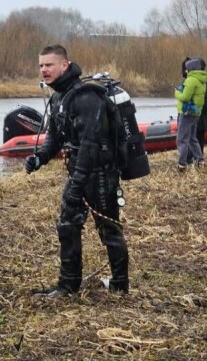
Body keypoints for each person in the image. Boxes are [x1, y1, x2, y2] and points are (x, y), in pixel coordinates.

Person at [24, 44, 129, 297]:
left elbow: (91, 145)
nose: (44, 70)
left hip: (100, 174)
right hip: (78, 173)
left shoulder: (86, 97)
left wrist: (78, 184)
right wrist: (40, 158)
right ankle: (68, 285)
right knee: (67, 226)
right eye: (41, 65)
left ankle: (120, 285)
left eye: (49, 65)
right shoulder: (59, 96)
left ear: (65, 65)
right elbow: (55, 136)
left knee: (109, 230)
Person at [174, 57, 207, 170]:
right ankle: (200, 160)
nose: (185, 71)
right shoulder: (201, 80)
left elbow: (185, 97)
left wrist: (176, 93)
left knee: (181, 138)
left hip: (187, 113)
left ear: (191, 69)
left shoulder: (191, 80)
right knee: (192, 138)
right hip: (195, 113)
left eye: (187, 68)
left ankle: (182, 163)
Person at [180, 57, 207, 156]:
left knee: (197, 140)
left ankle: (197, 160)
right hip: (190, 116)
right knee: (190, 140)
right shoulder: (187, 81)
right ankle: (192, 159)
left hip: (199, 118)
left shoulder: (203, 82)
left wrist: (197, 109)